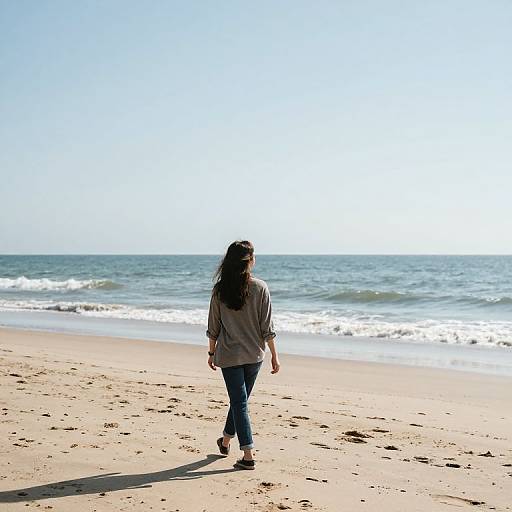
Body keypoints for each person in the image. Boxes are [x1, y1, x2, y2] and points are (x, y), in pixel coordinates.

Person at [206, 240, 280, 470]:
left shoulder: (219, 290)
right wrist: (274, 356)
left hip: (229, 355)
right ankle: (240, 449)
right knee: (240, 402)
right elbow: (267, 327)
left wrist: (211, 352)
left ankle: (236, 447)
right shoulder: (261, 288)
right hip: (255, 355)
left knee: (240, 402)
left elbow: (213, 326)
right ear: (250, 261)